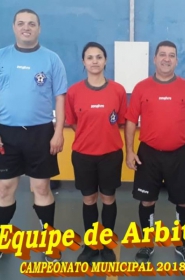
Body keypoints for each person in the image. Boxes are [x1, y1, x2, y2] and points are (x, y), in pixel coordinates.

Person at [125, 40, 185, 264]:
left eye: (171, 55)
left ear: (177, 60)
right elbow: (131, 121)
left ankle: (182, 243)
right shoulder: (142, 87)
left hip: (180, 154)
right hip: (148, 154)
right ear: (154, 59)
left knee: (184, 202)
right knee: (147, 201)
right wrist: (129, 151)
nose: (166, 59)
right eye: (162, 54)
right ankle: (147, 243)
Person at [0, 9, 67, 262]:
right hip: (5, 132)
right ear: (14, 27)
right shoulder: (2, 57)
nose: (26, 27)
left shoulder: (52, 59)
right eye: (21, 23)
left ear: (39, 28)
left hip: (41, 132)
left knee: (41, 186)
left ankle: (48, 240)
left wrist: (58, 132)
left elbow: (60, 97)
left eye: (31, 24)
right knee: (5, 189)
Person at [65, 42, 127, 263]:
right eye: (90, 57)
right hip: (83, 156)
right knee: (89, 199)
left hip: (110, 155)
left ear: (105, 60)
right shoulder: (73, 92)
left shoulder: (118, 90)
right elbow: (72, 123)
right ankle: (91, 245)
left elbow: (119, 122)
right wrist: (88, 137)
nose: (94, 61)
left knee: (108, 198)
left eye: (99, 57)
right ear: (83, 61)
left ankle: (107, 243)